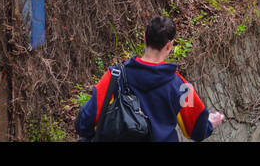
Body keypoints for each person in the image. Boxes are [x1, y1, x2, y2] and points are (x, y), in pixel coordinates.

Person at [75, 15, 225, 141]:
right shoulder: (182, 87)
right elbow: (196, 130)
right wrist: (210, 123)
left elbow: (86, 121)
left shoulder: (114, 76)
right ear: (169, 45)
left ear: (145, 37)